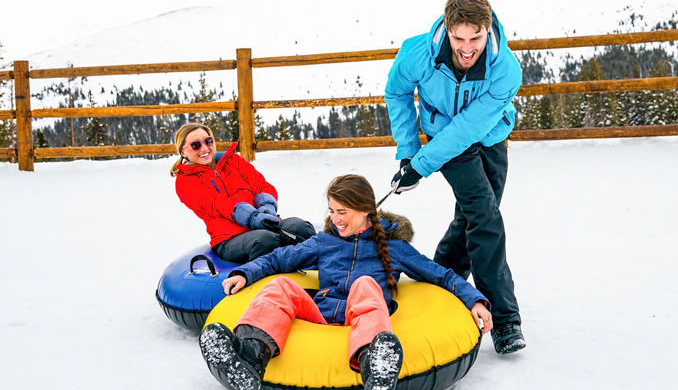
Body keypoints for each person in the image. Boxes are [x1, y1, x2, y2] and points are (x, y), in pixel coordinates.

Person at [198, 174, 492, 390]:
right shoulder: (324, 243)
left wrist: (475, 300)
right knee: (280, 287)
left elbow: (440, 274)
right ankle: (249, 358)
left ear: (365, 210)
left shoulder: (393, 248)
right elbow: (278, 259)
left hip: (365, 320)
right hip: (321, 316)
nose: (336, 220)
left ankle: (375, 366)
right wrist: (243, 273)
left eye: (343, 212)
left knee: (365, 283)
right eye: (331, 211)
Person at [384, 0, 526, 354]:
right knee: (484, 214)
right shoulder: (417, 53)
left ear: (488, 30)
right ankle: (505, 319)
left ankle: (442, 279)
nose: (466, 48)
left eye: (475, 39)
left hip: (490, 135)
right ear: (446, 29)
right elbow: (397, 93)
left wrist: (420, 165)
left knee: (472, 216)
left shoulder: (505, 68)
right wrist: (408, 151)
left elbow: (468, 128)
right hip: (442, 140)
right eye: (458, 38)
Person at [171, 122, 315, 263]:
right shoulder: (185, 181)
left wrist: (266, 209)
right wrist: (252, 217)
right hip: (228, 239)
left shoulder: (233, 161)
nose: (204, 148)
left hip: (265, 224)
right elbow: (218, 205)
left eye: (208, 141)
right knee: (265, 241)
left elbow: (261, 185)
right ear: (183, 151)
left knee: (301, 228)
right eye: (195, 145)